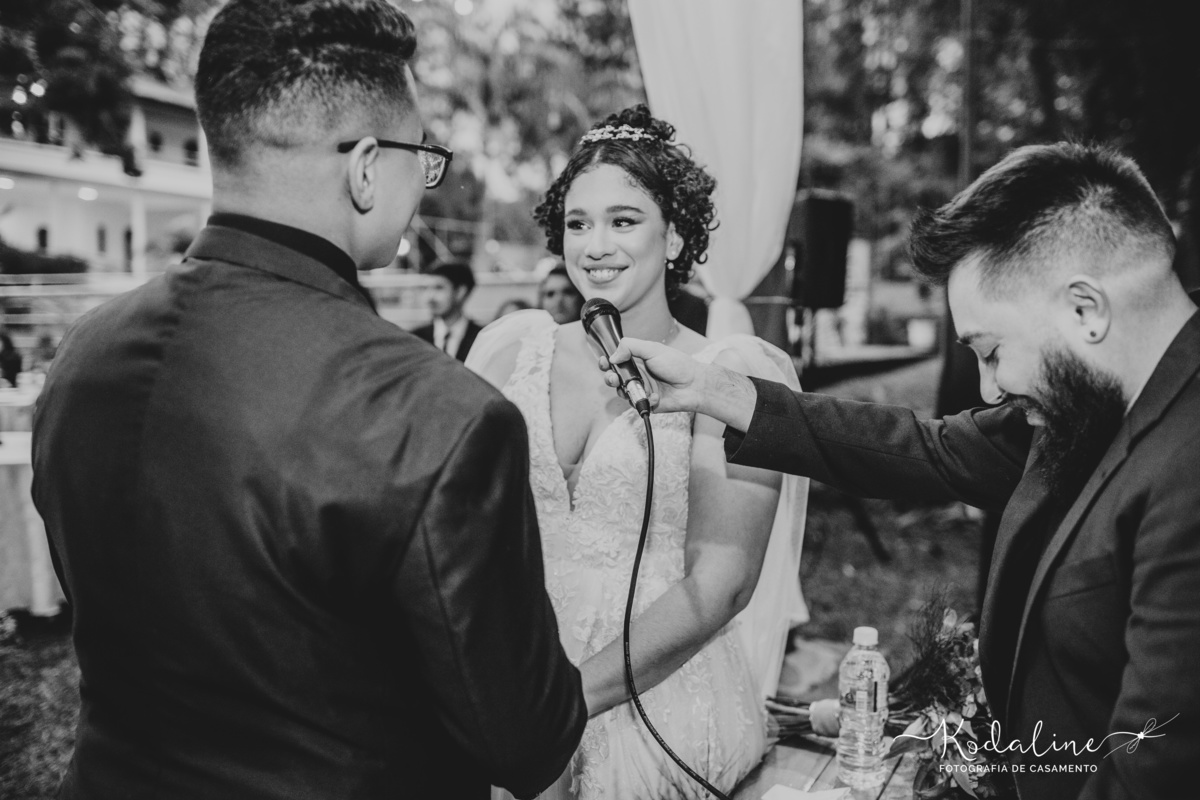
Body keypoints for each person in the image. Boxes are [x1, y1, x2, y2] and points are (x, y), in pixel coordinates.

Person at [30, 2, 585, 799]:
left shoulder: (82, 355)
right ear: (366, 166)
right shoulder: (436, 413)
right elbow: (526, 743)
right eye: (421, 154)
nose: (424, 181)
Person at [607, 143, 1200, 800]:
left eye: (991, 351)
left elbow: (1155, 771)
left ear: (1086, 310)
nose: (991, 388)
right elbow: (926, 446)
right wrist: (713, 389)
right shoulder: (1092, 401)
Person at [467, 104, 808, 800]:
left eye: (623, 221)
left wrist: (563, 706)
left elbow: (722, 582)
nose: (595, 245)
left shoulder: (732, 375)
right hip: (508, 673)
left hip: (658, 694)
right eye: (578, 223)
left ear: (676, 235)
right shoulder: (510, 349)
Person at [412, 260, 482, 361]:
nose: (430, 297)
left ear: (460, 292)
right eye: (425, 288)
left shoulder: (481, 338)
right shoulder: (416, 338)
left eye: (439, 288)